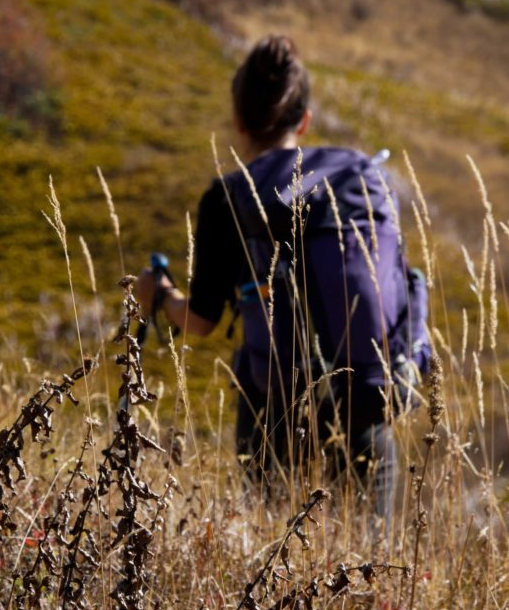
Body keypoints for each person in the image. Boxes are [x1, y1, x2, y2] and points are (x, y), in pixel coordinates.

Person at [137, 35, 429, 519]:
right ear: (305, 120)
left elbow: (202, 320)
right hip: (365, 398)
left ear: (239, 122)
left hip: (273, 407)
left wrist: (159, 295)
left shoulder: (229, 196)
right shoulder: (352, 175)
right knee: (364, 566)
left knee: (270, 557)